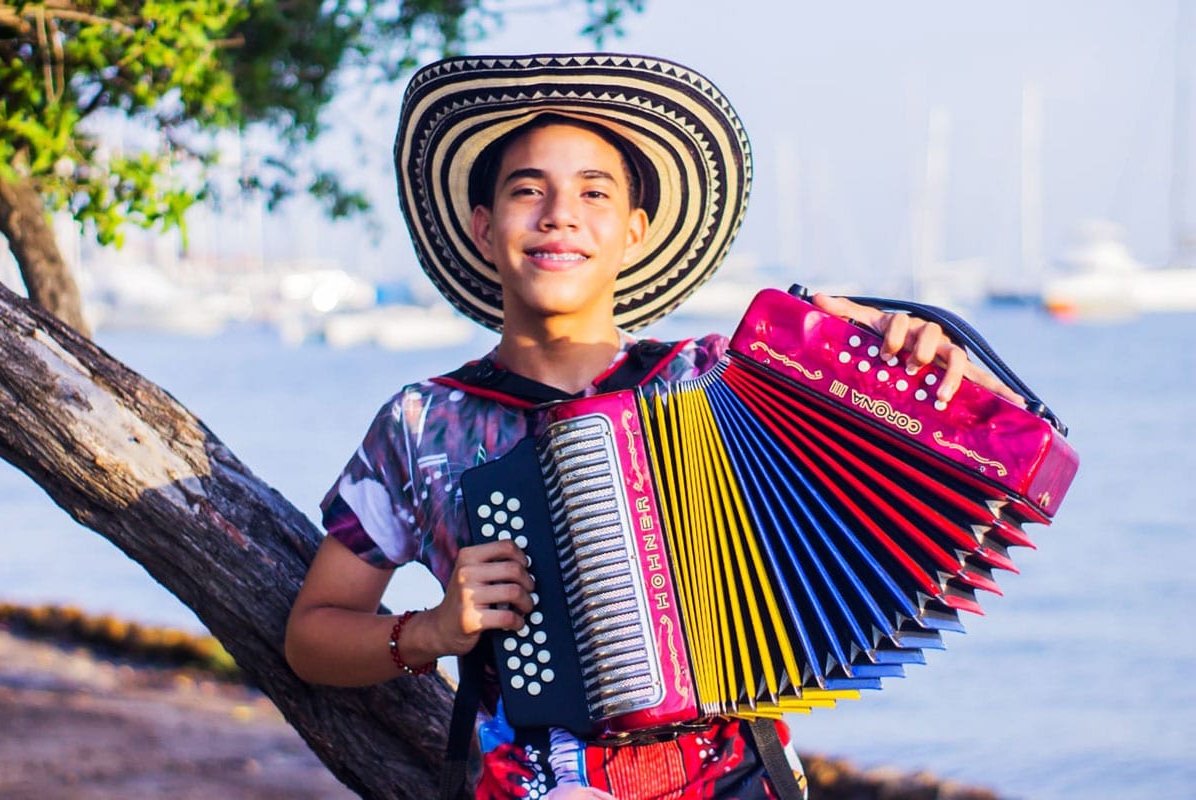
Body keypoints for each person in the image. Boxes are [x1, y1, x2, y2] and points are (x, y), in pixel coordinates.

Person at [284, 53, 1022, 800]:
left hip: (739, 778)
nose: (558, 214)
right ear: (483, 227)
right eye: (526, 190)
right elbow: (312, 636)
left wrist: (917, 358)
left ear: (634, 231)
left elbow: (948, 444)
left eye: (592, 192)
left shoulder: (719, 377)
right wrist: (430, 632)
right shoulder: (420, 422)